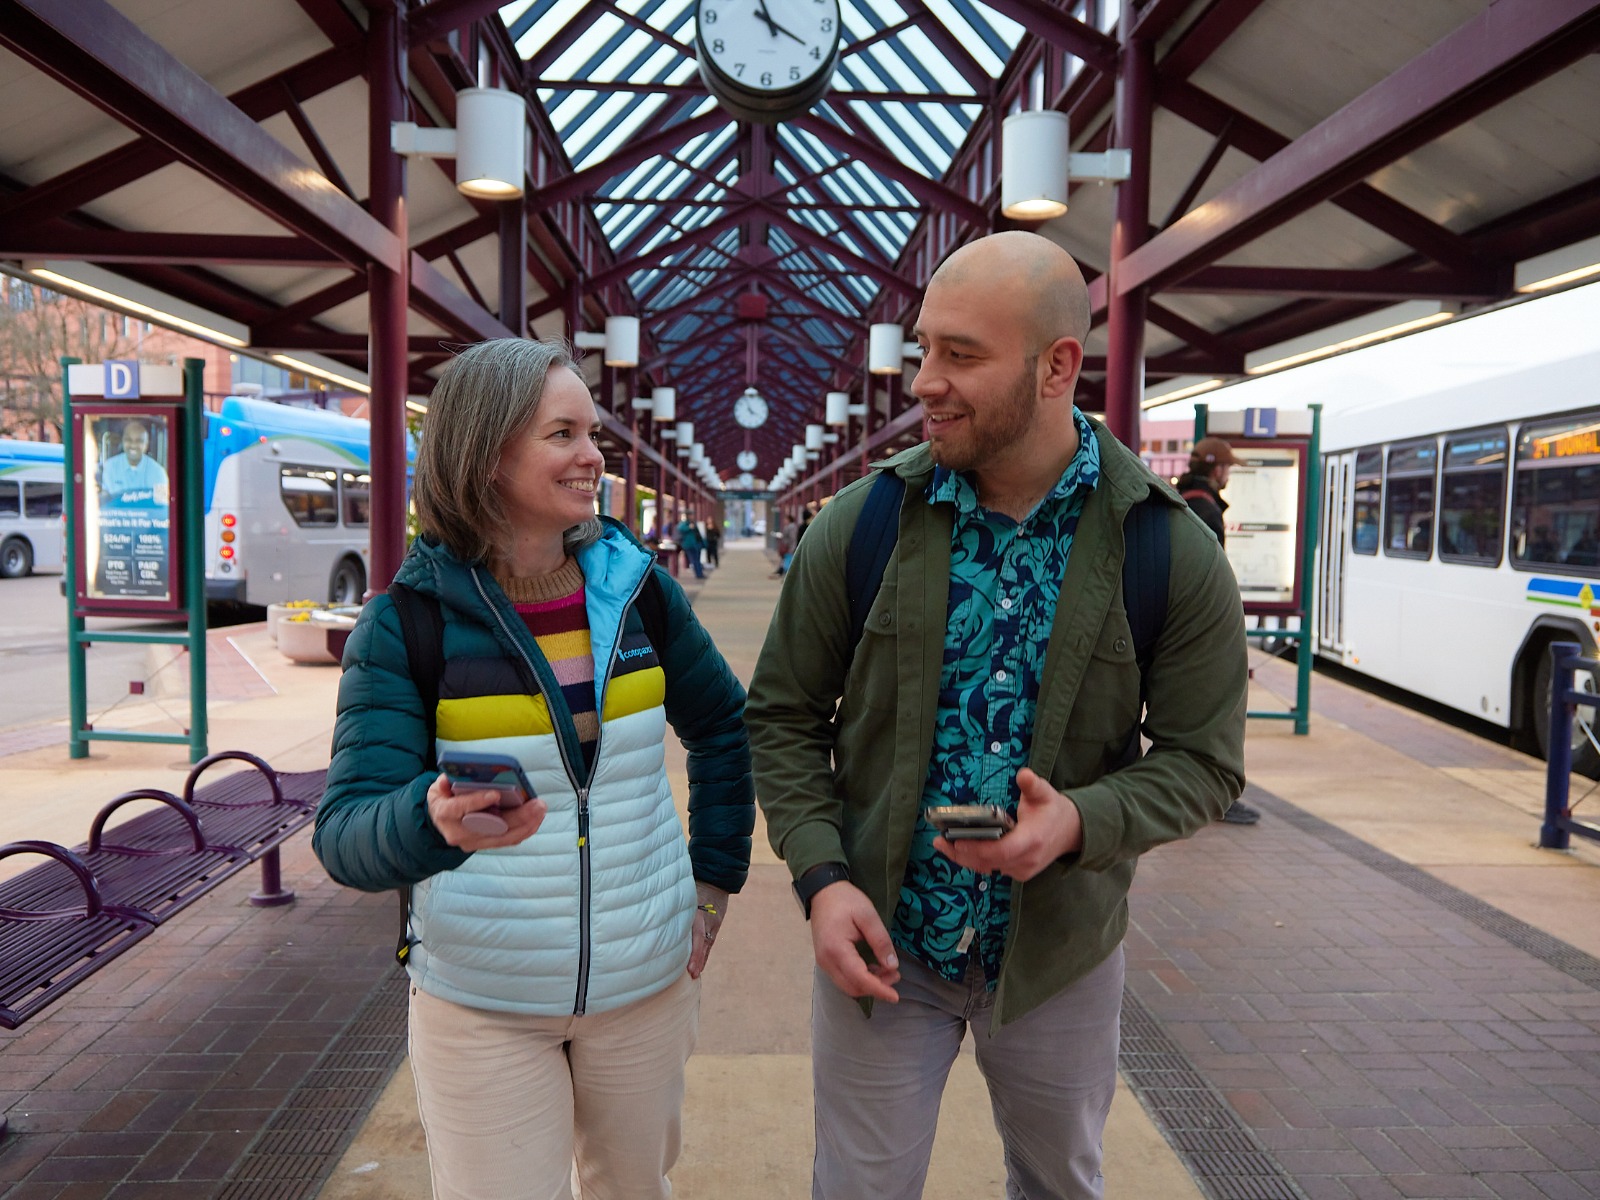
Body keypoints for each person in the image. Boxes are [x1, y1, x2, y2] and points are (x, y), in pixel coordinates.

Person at [746, 231, 1247, 1200]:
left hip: (1058, 954)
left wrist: (1081, 822)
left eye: (961, 355)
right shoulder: (863, 527)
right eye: (925, 348)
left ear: (1058, 366)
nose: (924, 381)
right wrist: (820, 880)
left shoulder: (1167, 554)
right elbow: (782, 713)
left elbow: (1203, 762)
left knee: (1058, 1184)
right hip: (884, 941)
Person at [313, 338, 754, 1200]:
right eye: (564, 433)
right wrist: (428, 820)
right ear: (485, 452)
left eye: (592, 432)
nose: (594, 455)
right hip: (481, 1000)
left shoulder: (638, 592)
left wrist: (713, 883)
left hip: (644, 987)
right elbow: (343, 836)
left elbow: (724, 726)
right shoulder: (407, 625)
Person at [1176, 437, 1259, 826]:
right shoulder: (1204, 509)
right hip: (1196, 631)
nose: (1228, 474)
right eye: (1227, 467)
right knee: (1213, 716)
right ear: (1216, 469)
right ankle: (1214, 798)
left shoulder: (1183, 499)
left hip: (1181, 629)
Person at [99, 418, 169, 506]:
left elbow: (161, 507)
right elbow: (105, 503)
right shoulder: (109, 467)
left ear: (146, 444)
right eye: (128, 440)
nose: (133, 445)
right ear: (122, 441)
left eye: (139, 441)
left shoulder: (159, 472)